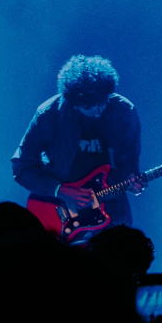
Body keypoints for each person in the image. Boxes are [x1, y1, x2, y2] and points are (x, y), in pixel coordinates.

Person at [12, 54, 145, 239]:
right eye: (89, 107)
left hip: (110, 210)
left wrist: (132, 180)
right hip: (60, 209)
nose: (98, 110)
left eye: (102, 103)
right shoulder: (49, 114)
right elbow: (21, 166)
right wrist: (60, 191)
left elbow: (129, 163)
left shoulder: (124, 111)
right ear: (73, 103)